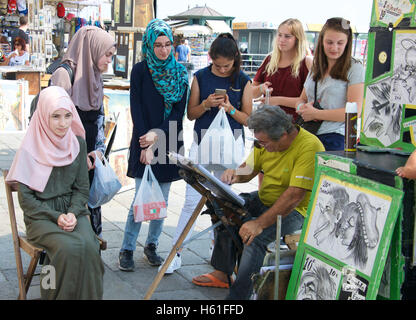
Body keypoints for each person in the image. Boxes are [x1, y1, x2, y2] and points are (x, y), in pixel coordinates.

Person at [192, 106, 325, 299]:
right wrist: (235, 175)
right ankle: (223, 271)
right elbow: (250, 168)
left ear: (284, 135)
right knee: (221, 207)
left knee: (256, 238)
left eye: (265, 142)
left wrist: (259, 224)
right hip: (265, 198)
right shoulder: (264, 142)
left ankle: (239, 297)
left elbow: (294, 196)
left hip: (297, 210)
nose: (261, 146)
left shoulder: (309, 146)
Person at [161, 33, 253, 275]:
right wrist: (206, 105)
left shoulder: (243, 81)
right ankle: (175, 252)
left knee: (223, 204)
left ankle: (220, 256)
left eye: (227, 66)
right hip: (202, 144)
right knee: (191, 200)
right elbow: (190, 114)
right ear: (211, 58)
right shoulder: (201, 77)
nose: (222, 70)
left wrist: (231, 109)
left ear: (235, 60)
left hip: (230, 146)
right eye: (217, 65)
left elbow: (249, 120)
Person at [5, 86, 104, 300]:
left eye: (68, 116)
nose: (63, 123)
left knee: (90, 246)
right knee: (67, 248)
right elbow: (27, 200)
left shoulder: (76, 143)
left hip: (73, 212)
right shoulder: (30, 149)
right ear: (43, 116)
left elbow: (81, 189)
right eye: (56, 116)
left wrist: (72, 212)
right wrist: (55, 216)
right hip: (40, 217)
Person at [118, 19, 189, 271]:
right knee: (140, 199)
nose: (163, 50)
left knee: (162, 200)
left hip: (168, 139)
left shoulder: (180, 73)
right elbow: (136, 108)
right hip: (142, 138)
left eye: (168, 44)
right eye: (158, 45)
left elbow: (178, 113)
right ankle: (127, 248)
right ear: (149, 44)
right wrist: (145, 143)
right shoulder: (140, 70)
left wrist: (155, 137)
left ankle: (152, 245)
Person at [50, 26, 116, 237]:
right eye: (107, 54)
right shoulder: (64, 74)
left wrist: (98, 151)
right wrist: (77, 155)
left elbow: (99, 120)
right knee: (67, 216)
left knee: (86, 214)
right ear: (92, 49)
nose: (109, 61)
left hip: (88, 161)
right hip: (66, 162)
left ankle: (86, 260)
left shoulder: (95, 76)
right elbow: (55, 126)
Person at [295, 17, 365, 151]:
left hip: (334, 138)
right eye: (329, 42)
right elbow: (301, 99)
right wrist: (301, 107)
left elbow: (354, 112)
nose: (334, 48)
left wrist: (315, 114)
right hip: (307, 134)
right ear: (321, 41)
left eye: (340, 43)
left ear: (347, 43)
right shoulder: (316, 65)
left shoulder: (355, 68)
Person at [253, 18, 313, 122]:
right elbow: (251, 93)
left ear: (298, 39)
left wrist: (276, 100)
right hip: (268, 124)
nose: (282, 39)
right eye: (279, 35)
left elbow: (308, 100)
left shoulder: (306, 62)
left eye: (287, 36)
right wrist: (261, 88)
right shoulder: (269, 60)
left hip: (295, 125)